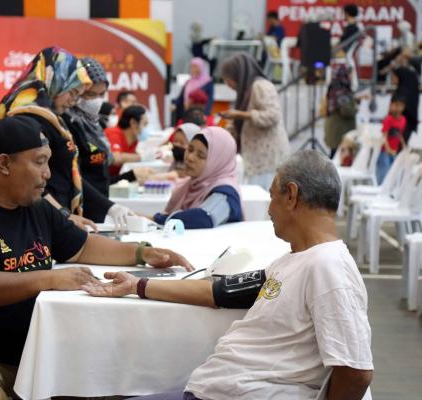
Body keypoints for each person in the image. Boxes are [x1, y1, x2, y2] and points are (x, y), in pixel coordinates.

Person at [0, 116, 194, 400]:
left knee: (105, 381)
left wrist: (142, 253)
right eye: (39, 162)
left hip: (24, 349)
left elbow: (82, 246)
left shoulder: (34, 206)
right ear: (4, 164)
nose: (48, 173)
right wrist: (49, 278)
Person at [84, 150, 374, 400]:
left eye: (272, 196)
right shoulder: (297, 260)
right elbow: (217, 292)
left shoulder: (329, 267)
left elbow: (356, 372)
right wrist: (138, 285)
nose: (269, 209)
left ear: (292, 196)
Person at [0, 47, 132, 230]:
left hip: (55, 217)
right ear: (56, 82)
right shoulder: (29, 119)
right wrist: (63, 214)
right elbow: (28, 181)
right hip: (41, 218)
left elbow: (66, 174)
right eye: (73, 92)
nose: (73, 101)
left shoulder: (52, 118)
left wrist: (107, 207)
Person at [220, 52, 289, 189]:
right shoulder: (246, 90)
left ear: (237, 74)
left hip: (267, 160)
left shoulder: (260, 86)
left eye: (228, 79)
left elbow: (273, 115)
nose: (227, 84)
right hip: (257, 160)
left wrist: (241, 115)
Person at [153, 127, 242, 229]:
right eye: (190, 149)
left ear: (216, 161)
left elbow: (204, 217)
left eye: (200, 156)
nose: (190, 158)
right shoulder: (187, 185)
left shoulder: (226, 193)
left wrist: (159, 219)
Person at [63, 57, 114, 220]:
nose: (97, 101)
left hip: (99, 203)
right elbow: (72, 174)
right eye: (91, 94)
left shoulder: (94, 122)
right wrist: (109, 206)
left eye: (101, 94)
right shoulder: (68, 122)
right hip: (80, 208)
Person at [321, 64, 357, 159]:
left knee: (335, 155)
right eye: (350, 74)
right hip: (339, 131)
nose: (351, 77)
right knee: (337, 157)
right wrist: (355, 109)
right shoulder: (341, 90)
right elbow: (346, 110)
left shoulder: (336, 87)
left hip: (336, 130)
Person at [106, 104, 149, 177]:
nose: (146, 128)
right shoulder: (113, 133)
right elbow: (115, 158)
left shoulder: (134, 139)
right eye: (145, 124)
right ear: (133, 123)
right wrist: (142, 157)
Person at [377, 95, 407, 183]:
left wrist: (403, 145)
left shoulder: (403, 120)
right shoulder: (388, 120)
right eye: (396, 105)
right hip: (385, 151)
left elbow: (399, 134)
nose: (398, 108)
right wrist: (388, 149)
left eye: (400, 105)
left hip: (394, 151)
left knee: (393, 172)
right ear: (391, 105)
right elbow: (384, 136)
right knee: (384, 171)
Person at [393, 65, 419, 144]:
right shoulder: (413, 92)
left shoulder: (401, 93)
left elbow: (395, 111)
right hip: (409, 126)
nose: (393, 79)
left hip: (397, 128)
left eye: (395, 77)